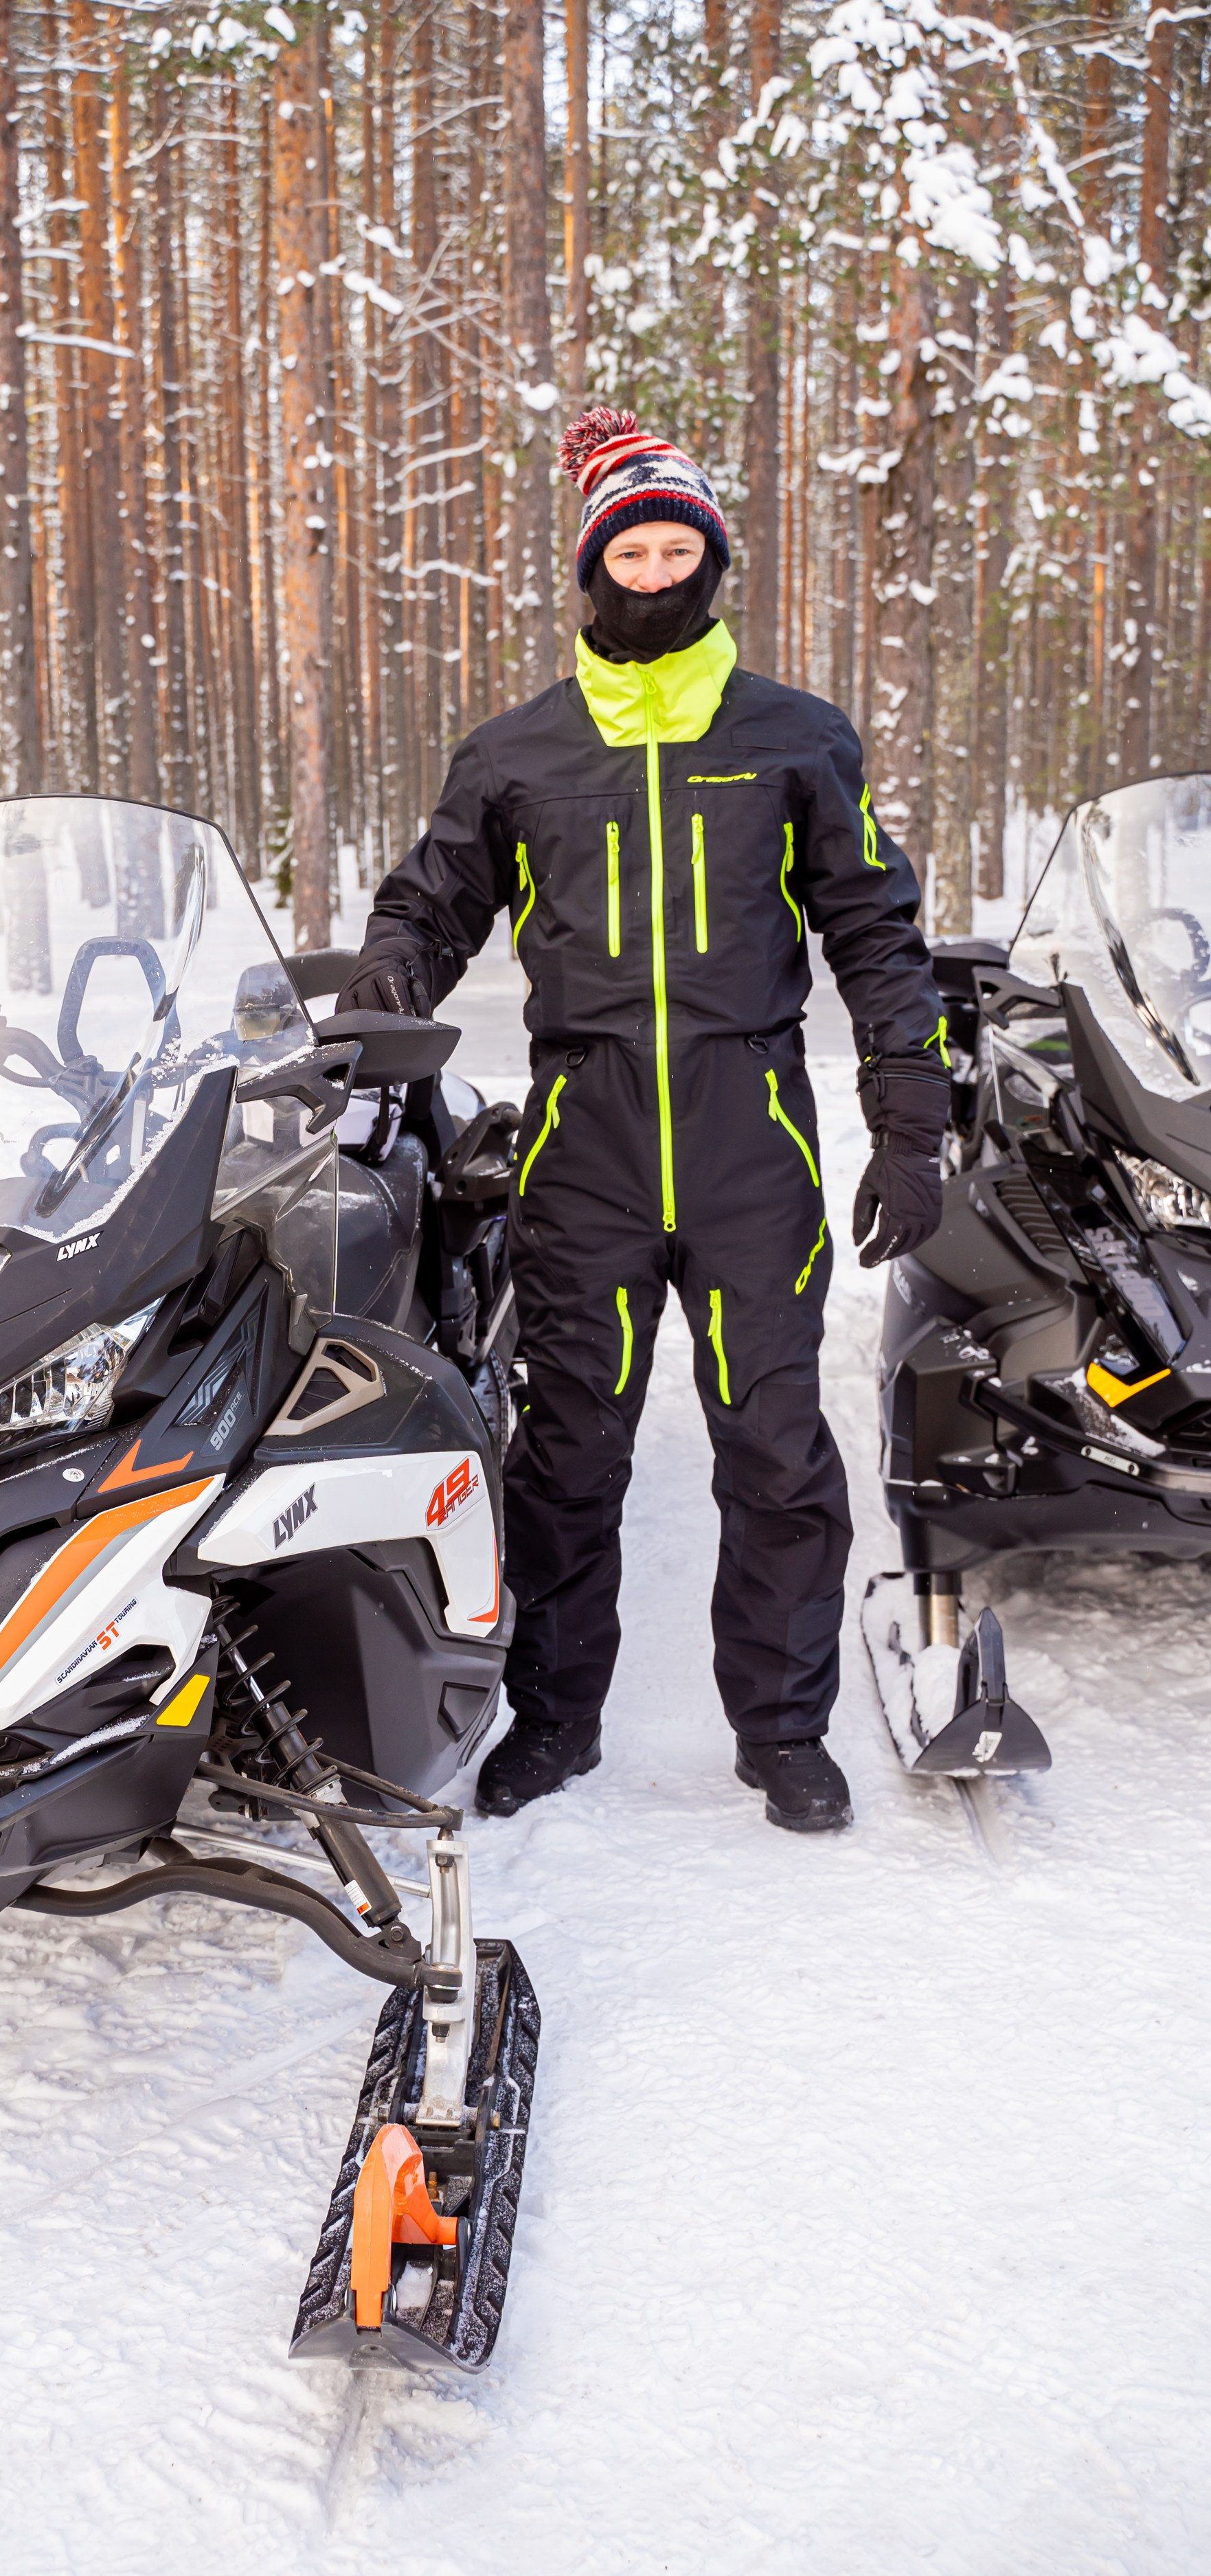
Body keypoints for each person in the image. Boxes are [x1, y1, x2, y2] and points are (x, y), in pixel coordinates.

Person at [337, 411, 949, 1833]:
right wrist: (385, 983)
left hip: (749, 1135)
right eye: (633, 548)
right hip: (585, 1135)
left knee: (775, 1448)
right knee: (567, 1449)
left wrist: (906, 1126)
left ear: (714, 563)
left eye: (681, 548)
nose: (657, 572)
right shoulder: (518, 751)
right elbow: (432, 903)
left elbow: (872, 929)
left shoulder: (791, 737)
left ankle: (783, 1731)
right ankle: (552, 1717)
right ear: (589, 566)